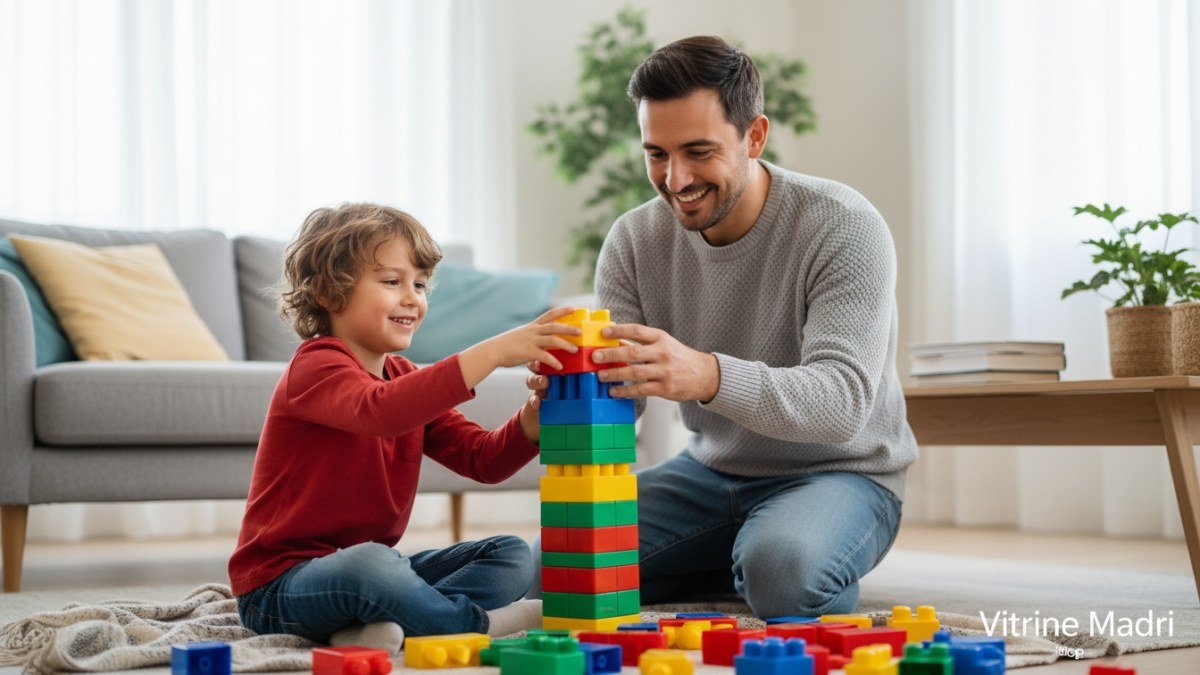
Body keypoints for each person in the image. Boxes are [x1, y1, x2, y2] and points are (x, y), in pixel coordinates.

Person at [529, 36, 917, 618]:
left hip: (839, 472)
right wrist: (561, 393)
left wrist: (707, 375)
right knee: (552, 567)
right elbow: (622, 395)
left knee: (782, 576)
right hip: (709, 473)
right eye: (656, 153)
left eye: (698, 151)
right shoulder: (633, 241)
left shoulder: (843, 226)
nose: (675, 179)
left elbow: (843, 405)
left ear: (754, 137)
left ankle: (766, 555)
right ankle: (740, 553)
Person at [229, 203, 579, 653]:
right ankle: (477, 625)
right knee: (371, 566)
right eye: (392, 282)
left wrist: (534, 414)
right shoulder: (315, 368)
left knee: (509, 556)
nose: (412, 297)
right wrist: (492, 352)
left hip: (368, 575)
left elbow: (484, 460)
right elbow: (379, 411)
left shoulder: (402, 376)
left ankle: (377, 625)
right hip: (279, 588)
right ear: (328, 293)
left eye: (419, 284)